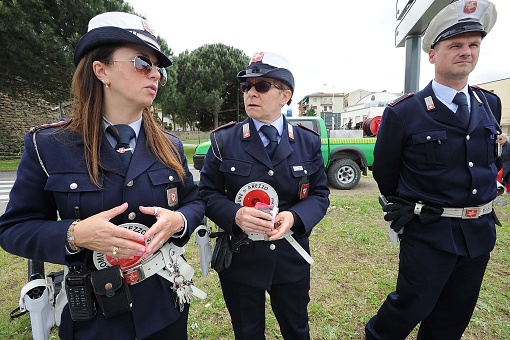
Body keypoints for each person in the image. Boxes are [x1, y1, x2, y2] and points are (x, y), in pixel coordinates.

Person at [0, 12, 205, 339]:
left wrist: (179, 221)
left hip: (164, 308)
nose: (155, 74)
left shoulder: (171, 146)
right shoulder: (49, 145)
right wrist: (74, 235)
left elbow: (194, 203)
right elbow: (13, 229)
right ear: (101, 70)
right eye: (142, 62)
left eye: (158, 68)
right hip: (94, 318)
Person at [365, 0, 501, 338]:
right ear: (432, 54)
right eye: (455, 45)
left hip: (479, 232)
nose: (466, 52)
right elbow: (385, 173)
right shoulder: (404, 112)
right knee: (411, 304)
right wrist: (414, 208)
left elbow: (488, 162)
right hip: (430, 232)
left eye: (473, 45)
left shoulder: (490, 103)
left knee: (454, 316)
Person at [199, 51, 330, 339]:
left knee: (296, 329)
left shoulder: (307, 142)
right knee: (247, 332)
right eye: (246, 87)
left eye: (261, 86)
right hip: (241, 258)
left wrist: (295, 217)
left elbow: (320, 193)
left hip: (289, 254)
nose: (250, 93)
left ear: (286, 95)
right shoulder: (224, 140)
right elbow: (206, 192)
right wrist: (235, 214)